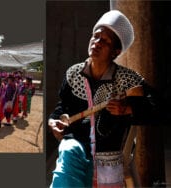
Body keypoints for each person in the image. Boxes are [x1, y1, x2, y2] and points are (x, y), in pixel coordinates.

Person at [48, 10, 158, 187]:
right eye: (95, 36)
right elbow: (62, 108)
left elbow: (160, 107)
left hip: (109, 151)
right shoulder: (73, 74)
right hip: (77, 148)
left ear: (116, 51)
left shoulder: (127, 79)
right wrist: (53, 120)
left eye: (105, 41)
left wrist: (127, 108)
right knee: (68, 150)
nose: (96, 43)